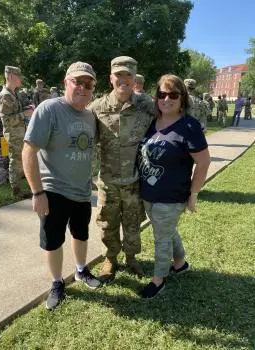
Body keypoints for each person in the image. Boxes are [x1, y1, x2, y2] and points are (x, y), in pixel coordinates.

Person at [22, 61, 101, 310]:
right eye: (77, 82)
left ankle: (80, 270)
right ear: (67, 82)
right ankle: (56, 283)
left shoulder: (90, 116)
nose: (83, 88)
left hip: (81, 190)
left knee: (81, 234)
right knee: (53, 240)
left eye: (88, 84)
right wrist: (37, 192)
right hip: (53, 190)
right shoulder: (49, 109)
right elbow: (28, 150)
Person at [137, 74, 210, 299]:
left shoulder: (189, 125)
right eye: (161, 94)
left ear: (182, 97)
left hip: (171, 195)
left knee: (161, 238)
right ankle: (180, 263)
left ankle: (158, 280)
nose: (166, 99)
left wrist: (194, 194)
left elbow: (204, 162)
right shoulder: (151, 122)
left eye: (173, 95)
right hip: (149, 193)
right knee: (167, 231)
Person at [89, 56, 155, 283]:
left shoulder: (147, 106)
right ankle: (111, 258)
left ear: (135, 78)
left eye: (128, 75)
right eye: (119, 75)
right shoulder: (97, 108)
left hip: (135, 180)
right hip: (108, 181)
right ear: (111, 78)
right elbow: (84, 140)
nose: (123, 80)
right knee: (108, 222)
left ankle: (131, 257)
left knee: (133, 221)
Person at [0, 66, 33, 197]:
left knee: (20, 160)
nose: (21, 79)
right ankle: (16, 191)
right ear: (11, 76)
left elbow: (14, 113)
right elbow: (6, 120)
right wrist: (24, 113)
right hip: (12, 135)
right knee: (15, 161)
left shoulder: (13, 93)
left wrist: (25, 109)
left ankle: (22, 189)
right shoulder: (6, 95)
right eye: (19, 76)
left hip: (18, 133)